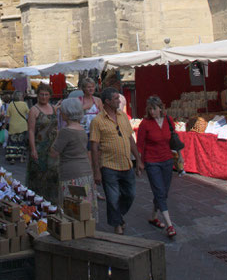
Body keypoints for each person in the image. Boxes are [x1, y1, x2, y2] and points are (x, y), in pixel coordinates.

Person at [90, 87, 143, 235]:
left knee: (130, 195)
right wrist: (96, 171)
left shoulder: (122, 116)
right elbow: (94, 147)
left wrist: (138, 159)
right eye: (115, 99)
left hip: (126, 163)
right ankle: (117, 225)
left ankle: (118, 217)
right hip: (108, 165)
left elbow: (130, 138)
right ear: (107, 101)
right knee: (112, 198)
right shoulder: (97, 121)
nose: (119, 101)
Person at [137, 95, 177, 238]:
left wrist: (180, 156)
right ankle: (169, 225)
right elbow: (139, 145)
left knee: (163, 192)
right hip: (152, 161)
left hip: (167, 160)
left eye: (154, 109)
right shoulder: (145, 124)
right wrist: (139, 163)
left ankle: (153, 216)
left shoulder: (168, 120)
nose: (152, 112)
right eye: (150, 109)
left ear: (160, 108)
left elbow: (174, 139)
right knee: (159, 191)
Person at [51, 97, 98, 220]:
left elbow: (54, 153)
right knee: (83, 208)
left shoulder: (66, 132)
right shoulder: (82, 129)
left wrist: (56, 134)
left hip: (70, 173)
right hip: (85, 171)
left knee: (71, 208)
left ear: (67, 112)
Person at [26, 83, 58, 203]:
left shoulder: (54, 108)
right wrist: (33, 149)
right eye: (41, 94)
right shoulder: (34, 110)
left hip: (53, 148)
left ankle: (52, 203)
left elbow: (57, 128)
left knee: (53, 176)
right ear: (37, 96)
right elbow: (31, 130)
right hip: (40, 148)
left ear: (50, 96)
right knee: (39, 177)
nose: (44, 97)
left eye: (46, 94)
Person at [5, 92, 29, 164]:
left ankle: (12, 158)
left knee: (12, 143)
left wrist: (5, 124)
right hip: (23, 126)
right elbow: (29, 113)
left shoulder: (11, 105)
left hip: (13, 126)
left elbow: (7, 116)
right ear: (20, 97)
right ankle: (21, 158)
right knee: (21, 142)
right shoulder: (24, 104)